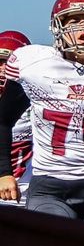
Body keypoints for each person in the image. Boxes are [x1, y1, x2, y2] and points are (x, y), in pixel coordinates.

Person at [0, 0, 84, 225]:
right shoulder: (35, 65)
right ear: (58, 26)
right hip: (52, 185)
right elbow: (3, 119)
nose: (83, 28)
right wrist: (4, 173)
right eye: (73, 21)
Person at [0, 31, 33, 206]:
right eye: (0, 62)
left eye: (10, 63)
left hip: (25, 194)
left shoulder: (38, 100)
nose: (4, 69)